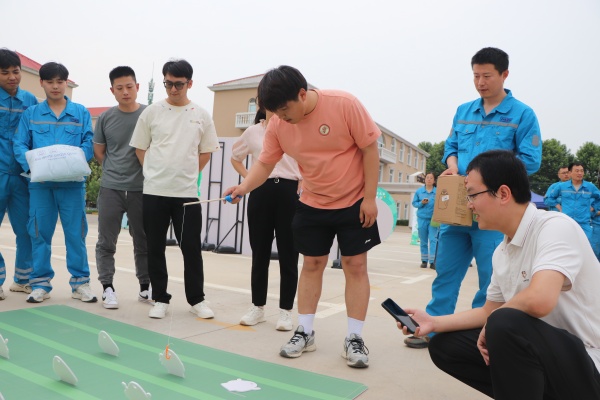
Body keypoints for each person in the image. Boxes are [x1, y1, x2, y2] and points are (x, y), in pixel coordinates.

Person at [399, 150, 600, 399]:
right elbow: (488, 310)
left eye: (472, 194)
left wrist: (495, 321)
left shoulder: (555, 227)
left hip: (588, 365)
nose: (468, 204)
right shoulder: (502, 252)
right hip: (544, 358)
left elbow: (540, 300)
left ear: (503, 193)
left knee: (504, 323)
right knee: (445, 345)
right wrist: (433, 323)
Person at [224, 65, 381, 368]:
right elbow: (264, 164)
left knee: (355, 265)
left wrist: (370, 198)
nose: (281, 117)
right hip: (312, 201)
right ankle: (305, 332)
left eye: (285, 110)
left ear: (302, 94)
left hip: (354, 201)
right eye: (275, 112)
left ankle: (355, 338)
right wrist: (243, 187)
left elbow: (370, 149)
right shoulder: (277, 124)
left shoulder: (344, 104)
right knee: (311, 264)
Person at [405, 47, 542, 349]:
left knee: (490, 278)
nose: (480, 82)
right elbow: (451, 147)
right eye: (476, 76)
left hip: (492, 209)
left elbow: (531, 160)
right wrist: (453, 166)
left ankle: (482, 334)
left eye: (487, 76)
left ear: (504, 75)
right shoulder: (463, 111)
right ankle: (432, 327)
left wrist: (489, 176)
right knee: (445, 271)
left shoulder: (522, 114)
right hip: (457, 204)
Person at [130, 59, 220, 320]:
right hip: (154, 192)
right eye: (168, 83)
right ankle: (160, 298)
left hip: (186, 194)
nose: (172, 89)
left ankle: (197, 299)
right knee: (155, 247)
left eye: (178, 84)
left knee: (191, 249)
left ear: (189, 83)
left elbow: (206, 152)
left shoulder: (201, 115)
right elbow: (140, 148)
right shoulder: (152, 112)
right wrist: (153, 173)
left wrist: (187, 174)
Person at [13, 62, 96, 303]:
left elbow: (88, 142)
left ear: (66, 83)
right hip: (41, 186)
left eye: (60, 81)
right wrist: (32, 166)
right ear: (42, 83)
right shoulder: (31, 114)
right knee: (39, 234)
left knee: (76, 235)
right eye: (50, 82)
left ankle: (80, 284)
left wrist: (74, 162)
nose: (55, 86)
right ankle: (40, 284)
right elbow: (19, 143)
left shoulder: (80, 112)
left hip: (73, 185)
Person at [231, 105, 301, 331]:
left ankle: (286, 311)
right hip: (260, 191)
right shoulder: (252, 132)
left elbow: (307, 159)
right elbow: (235, 157)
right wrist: (248, 179)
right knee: (259, 253)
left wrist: (304, 182)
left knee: (289, 254)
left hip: (289, 192)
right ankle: (257, 307)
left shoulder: (294, 127)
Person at [93, 66, 151, 309]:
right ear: (112, 90)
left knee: (144, 241)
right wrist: (114, 171)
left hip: (142, 188)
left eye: (129, 86)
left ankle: (146, 288)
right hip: (111, 188)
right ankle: (107, 288)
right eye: (120, 88)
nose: (125, 91)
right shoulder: (106, 118)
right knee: (106, 241)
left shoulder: (150, 114)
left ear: (137, 87)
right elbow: (99, 152)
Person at [0, 48, 38, 301]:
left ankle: (23, 280)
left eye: (16, 71)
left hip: (22, 175)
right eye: (5, 73)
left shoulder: (30, 100)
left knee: (26, 230)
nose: (12, 77)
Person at [544, 161, 600, 241]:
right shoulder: (562, 186)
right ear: (570, 173)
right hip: (566, 223)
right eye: (577, 171)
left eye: (582, 171)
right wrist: (559, 208)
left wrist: (593, 208)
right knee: (565, 244)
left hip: (584, 224)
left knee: (586, 245)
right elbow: (549, 198)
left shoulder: (590, 187)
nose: (580, 173)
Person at [411, 172, 439, 269]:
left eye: (431, 178)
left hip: (433, 220)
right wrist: (421, 203)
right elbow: (414, 203)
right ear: (425, 179)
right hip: (422, 219)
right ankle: (424, 261)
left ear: (434, 180)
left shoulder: (438, 192)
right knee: (423, 241)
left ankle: (432, 262)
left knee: (433, 240)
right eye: (427, 177)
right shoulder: (419, 191)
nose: (429, 179)